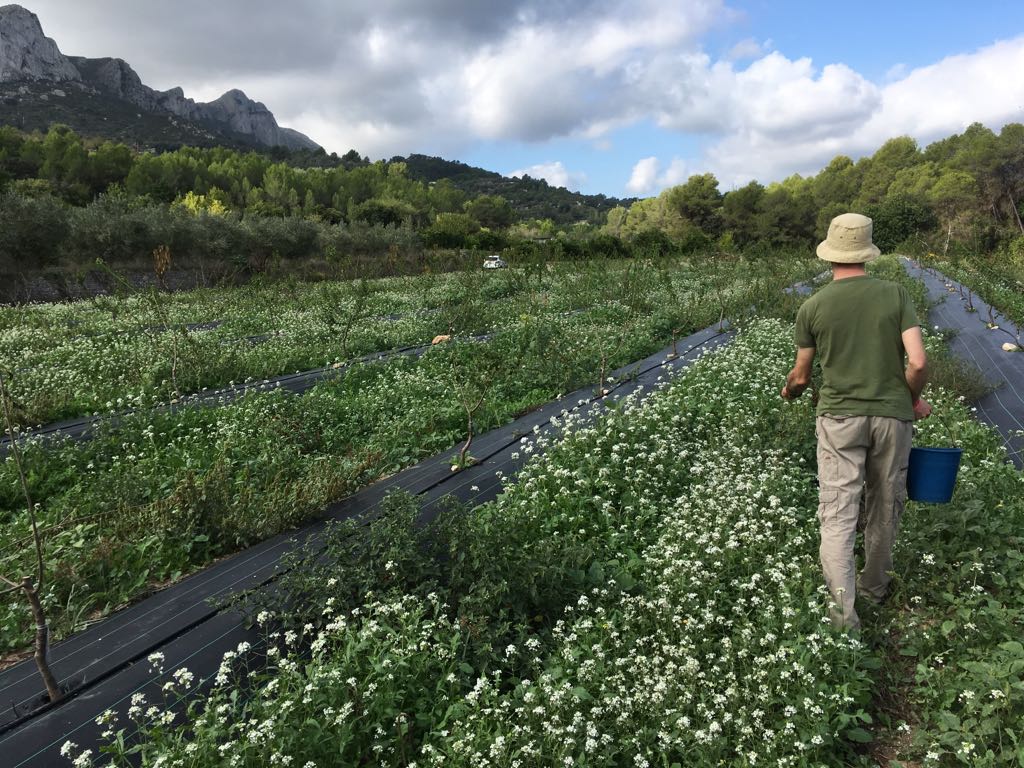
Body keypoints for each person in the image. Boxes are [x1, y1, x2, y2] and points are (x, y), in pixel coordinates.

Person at [781, 212, 932, 632]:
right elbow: (917, 362)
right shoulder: (896, 294)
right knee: (885, 503)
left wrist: (791, 390)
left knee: (838, 510)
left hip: (839, 419)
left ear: (830, 254)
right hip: (892, 417)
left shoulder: (813, 306)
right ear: (867, 252)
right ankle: (873, 589)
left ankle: (844, 616)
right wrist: (912, 399)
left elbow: (802, 375)